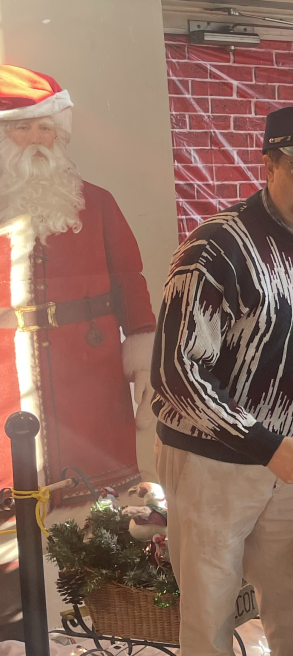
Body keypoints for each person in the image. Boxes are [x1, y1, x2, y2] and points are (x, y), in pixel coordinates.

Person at [150, 105, 293, 656]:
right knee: (208, 616)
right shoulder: (215, 247)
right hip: (211, 462)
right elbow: (175, 372)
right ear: (269, 165)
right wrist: (263, 444)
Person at [0, 64, 156, 503]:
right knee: (17, 503)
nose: (36, 139)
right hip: (6, 379)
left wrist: (143, 358)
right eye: (22, 128)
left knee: (97, 508)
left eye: (45, 128)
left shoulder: (99, 202)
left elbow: (130, 279)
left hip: (91, 373)